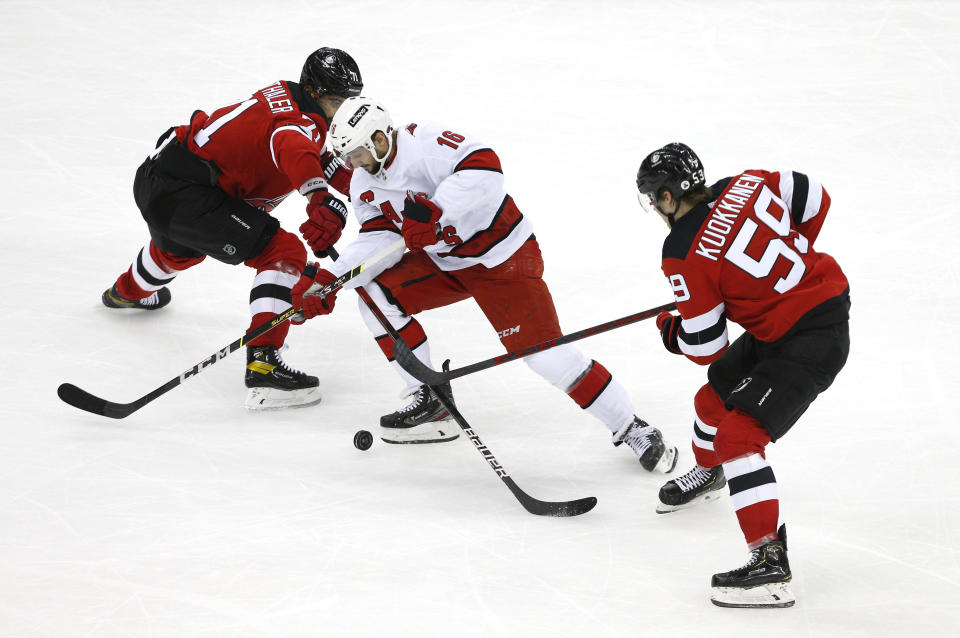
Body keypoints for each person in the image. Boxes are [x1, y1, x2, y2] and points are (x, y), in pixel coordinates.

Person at [295, 96, 677, 473]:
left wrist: (438, 208)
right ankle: (430, 399)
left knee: (545, 356)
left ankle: (630, 426)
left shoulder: (424, 144)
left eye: (357, 154)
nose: (352, 165)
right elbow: (381, 239)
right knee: (375, 295)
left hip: (503, 259)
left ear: (379, 139)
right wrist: (332, 280)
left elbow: (486, 168)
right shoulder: (365, 182)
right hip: (447, 263)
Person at [635, 142, 850, 608]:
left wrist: (674, 330)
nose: (654, 208)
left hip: (810, 340)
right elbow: (815, 198)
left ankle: (768, 562)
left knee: (738, 437)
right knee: (709, 404)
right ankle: (711, 475)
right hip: (794, 322)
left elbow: (705, 347)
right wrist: (790, 263)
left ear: (668, 196)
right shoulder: (747, 181)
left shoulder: (681, 251)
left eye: (654, 199)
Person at [101, 48, 363, 410]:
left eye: (351, 100)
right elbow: (294, 146)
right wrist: (318, 198)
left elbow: (315, 152)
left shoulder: (294, 101)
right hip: (187, 195)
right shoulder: (296, 125)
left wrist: (371, 190)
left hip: (162, 176)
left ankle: (126, 292)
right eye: (337, 101)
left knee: (178, 250)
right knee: (283, 253)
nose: (344, 110)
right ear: (315, 92)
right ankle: (264, 364)